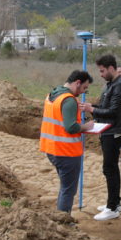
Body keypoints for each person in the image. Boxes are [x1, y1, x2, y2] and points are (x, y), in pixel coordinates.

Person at [39, 70, 98, 212]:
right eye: (84, 88)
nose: (83, 92)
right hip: (66, 152)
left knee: (65, 187)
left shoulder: (52, 95)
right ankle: (64, 221)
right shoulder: (69, 100)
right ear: (77, 82)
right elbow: (71, 127)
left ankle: (60, 217)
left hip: (52, 149)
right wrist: (87, 127)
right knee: (68, 190)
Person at [84, 54, 121, 221]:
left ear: (111, 68)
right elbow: (105, 107)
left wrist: (92, 110)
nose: (101, 74)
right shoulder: (111, 85)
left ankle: (112, 208)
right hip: (108, 131)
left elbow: (112, 112)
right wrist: (92, 107)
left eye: (103, 71)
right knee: (111, 168)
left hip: (113, 131)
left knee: (109, 169)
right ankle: (115, 203)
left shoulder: (119, 86)